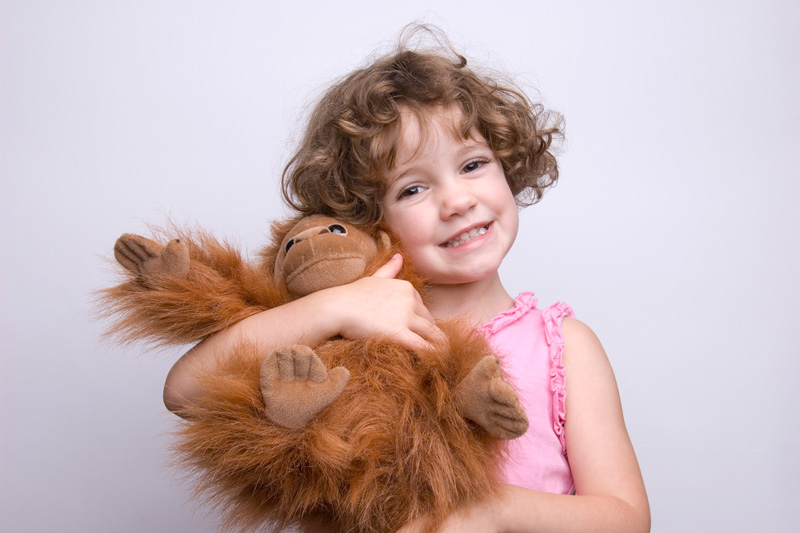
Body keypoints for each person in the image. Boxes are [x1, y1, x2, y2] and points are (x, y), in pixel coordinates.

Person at [163, 30, 650, 533]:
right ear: (369, 219)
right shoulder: (353, 336)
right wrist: (333, 308)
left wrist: (490, 509)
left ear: (508, 166)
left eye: (473, 164)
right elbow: (184, 392)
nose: (457, 201)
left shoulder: (562, 346)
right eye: (413, 188)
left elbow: (627, 518)